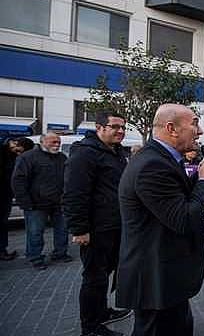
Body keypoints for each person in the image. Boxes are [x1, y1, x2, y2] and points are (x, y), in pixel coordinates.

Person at [117, 104, 204, 336]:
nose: (200, 130)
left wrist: (198, 178)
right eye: (194, 123)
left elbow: (174, 199)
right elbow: (183, 218)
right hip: (155, 277)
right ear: (172, 128)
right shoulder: (151, 165)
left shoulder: (164, 159)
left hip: (167, 275)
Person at [63, 111, 131, 336]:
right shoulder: (85, 154)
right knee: (94, 278)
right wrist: (79, 229)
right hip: (95, 229)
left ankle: (102, 312)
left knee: (104, 275)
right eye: (114, 127)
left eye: (122, 127)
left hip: (114, 226)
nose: (120, 131)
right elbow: (74, 194)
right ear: (99, 127)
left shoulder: (117, 153)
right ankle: (90, 327)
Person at [12, 133, 70, 270]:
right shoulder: (28, 157)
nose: (57, 145)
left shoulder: (61, 158)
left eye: (58, 142)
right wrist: (25, 202)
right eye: (53, 142)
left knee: (62, 230)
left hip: (59, 203)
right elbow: (18, 180)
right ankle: (35, 258)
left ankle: (60, 253)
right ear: (42, 142)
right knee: (35, 232)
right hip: (36, 204)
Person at [1, 137, 32, 260]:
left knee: (3, 223)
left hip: (6, 195)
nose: (19, 153)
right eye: (19, 150)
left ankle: (2, 249)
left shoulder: (14, 156)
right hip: (4, 194)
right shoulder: (5, 155)